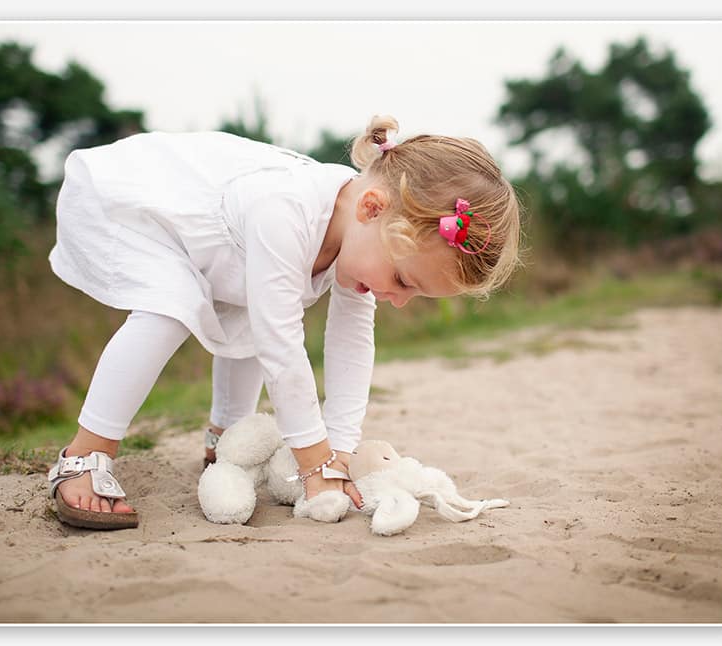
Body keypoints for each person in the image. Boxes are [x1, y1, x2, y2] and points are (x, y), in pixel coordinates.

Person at [45, 115, 522, 530]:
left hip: (216, 246)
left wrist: (338, 450)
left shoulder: (359, 233)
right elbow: (282, 348)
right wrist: (312, 460)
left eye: (413, 292)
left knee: (255, 314)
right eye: (402, 279)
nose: (398, 300)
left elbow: (351, 346)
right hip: (140, 202)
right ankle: (85, 456)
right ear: (372, 209)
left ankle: (227, 442)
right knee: (169, 309)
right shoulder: (285, 213)